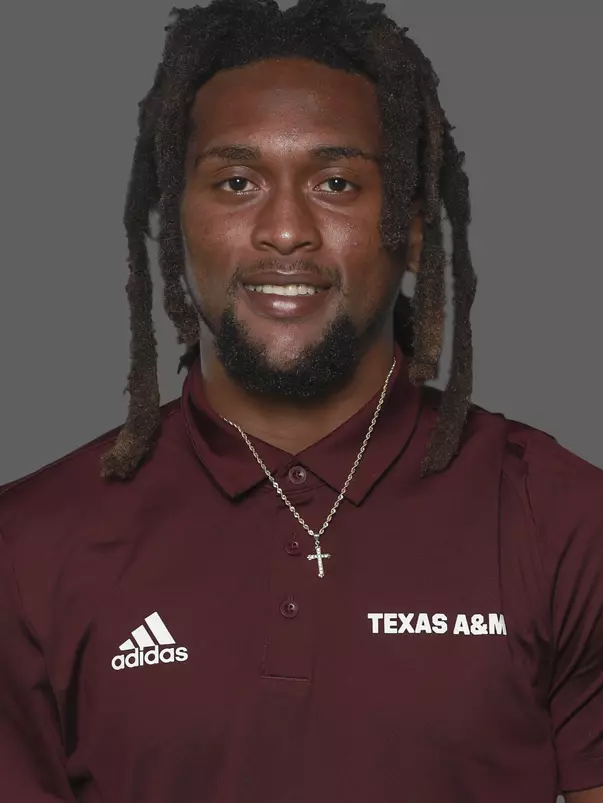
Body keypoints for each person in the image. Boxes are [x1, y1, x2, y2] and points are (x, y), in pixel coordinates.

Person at [0, 1, 601, 800]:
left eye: (336, 181)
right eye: (237, 181)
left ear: (413, 228)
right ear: (177, 222)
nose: (285, 230)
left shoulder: (559, 515)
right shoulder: (30, 544)